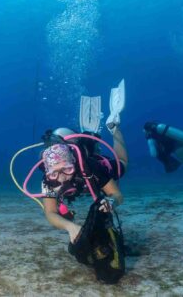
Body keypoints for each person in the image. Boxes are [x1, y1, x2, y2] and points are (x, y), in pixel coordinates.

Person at [40, 80, 127, 283]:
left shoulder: (91, 168)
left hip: (92, 169)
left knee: (123, 164)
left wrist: (112, 202)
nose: (62, 177)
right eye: (55, 173)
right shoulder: (48, 181)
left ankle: (114, 127)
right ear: (47, 171)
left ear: (75, 163)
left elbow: (117, 194)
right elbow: (50, 213)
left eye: (68, 169)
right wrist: (71, 227)